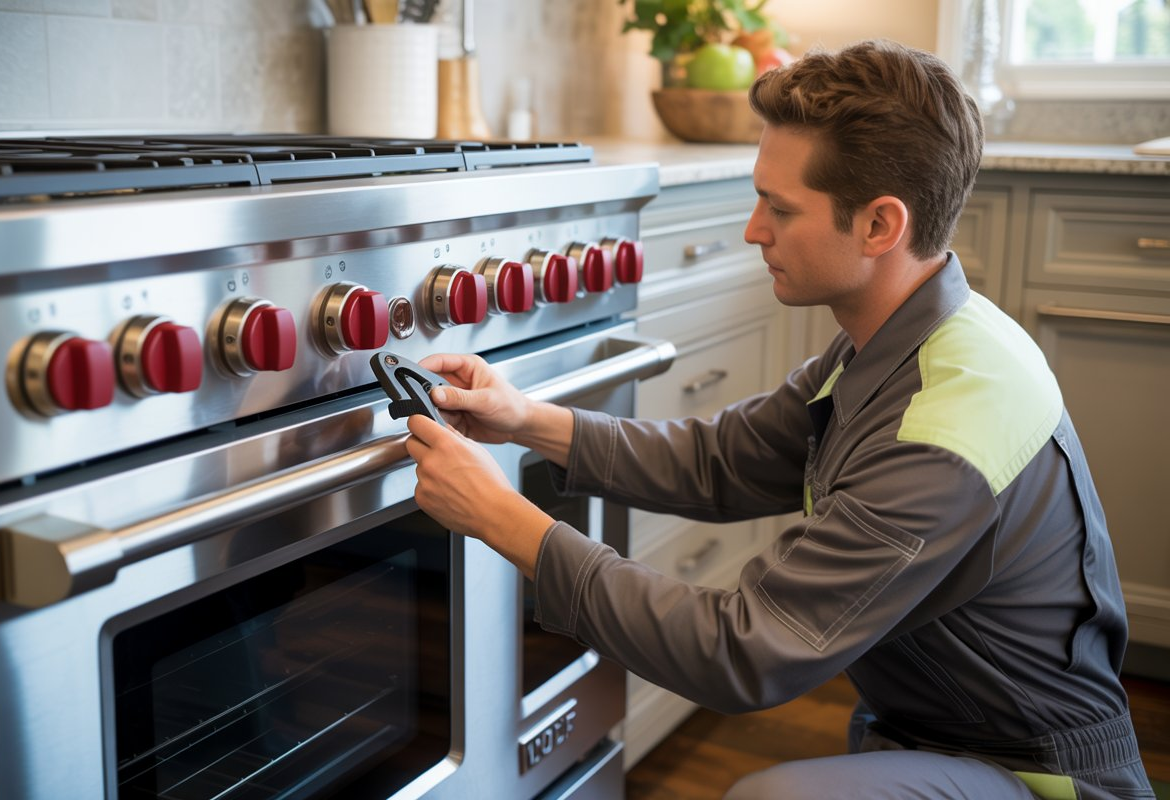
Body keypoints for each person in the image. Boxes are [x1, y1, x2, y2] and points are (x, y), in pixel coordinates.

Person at [403, 39, 1154, 799]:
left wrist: (502, 517)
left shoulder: (942, 434)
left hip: (1041, 775)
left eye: (781, 208)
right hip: (940, 732)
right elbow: (722, 460)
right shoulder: (904, 339)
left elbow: (742, 653)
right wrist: (524, 419)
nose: (753, 230)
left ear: (879, 226)